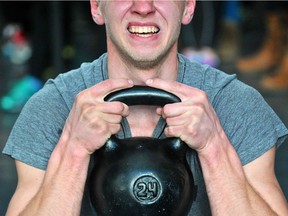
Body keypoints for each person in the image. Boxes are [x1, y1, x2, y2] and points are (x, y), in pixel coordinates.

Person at [2, 0, 288, 215]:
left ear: (188, 7)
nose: (143, 7)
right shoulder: (53, 106)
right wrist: (73, 149)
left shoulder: (236, 104)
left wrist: (214, 146)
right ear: (97, 7)